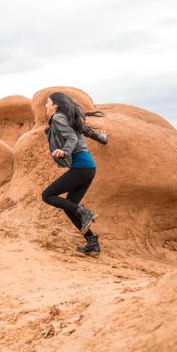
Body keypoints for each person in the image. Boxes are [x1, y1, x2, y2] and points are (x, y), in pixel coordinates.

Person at [41, 92, 108, 256]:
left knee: (47, 195)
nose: (46, 105)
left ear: (55, 105)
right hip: (87, 168)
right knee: (69, 207)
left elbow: (71, 137)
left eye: (48, 102)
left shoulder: (57, 118)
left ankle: (84, 212)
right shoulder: (68, 118)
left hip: (81, 167)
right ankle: (92, 243)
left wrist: (64, 151)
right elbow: (85, 130)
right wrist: (102, 139)